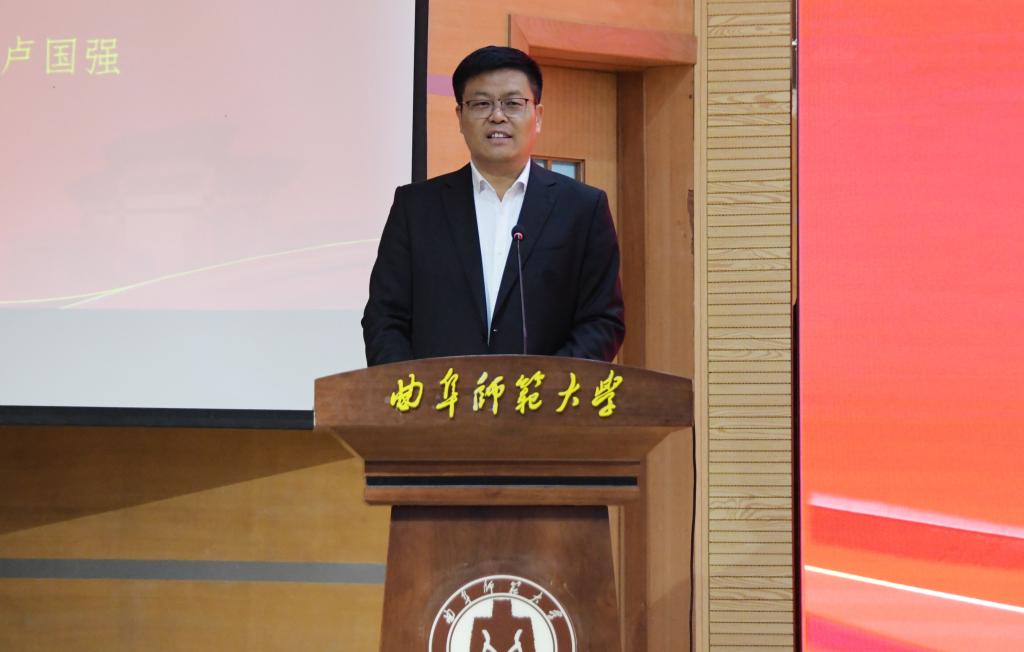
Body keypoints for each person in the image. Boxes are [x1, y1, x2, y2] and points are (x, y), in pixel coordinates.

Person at [362, 46, 624, 366]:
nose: (497, 116)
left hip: (544, 396)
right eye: (481, 103)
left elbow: (602, 321)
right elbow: (384, 318)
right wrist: (411, 388)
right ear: (460, 117)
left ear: (538, 116)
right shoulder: (415, 207)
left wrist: (547, 386)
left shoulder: (583, 209)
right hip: (435, 396)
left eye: (512, 103)